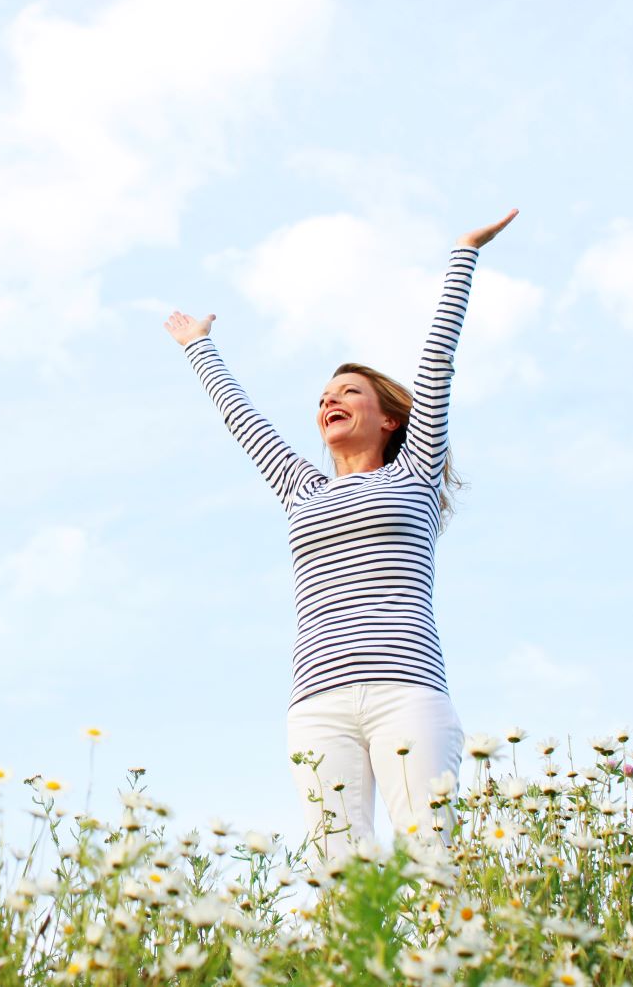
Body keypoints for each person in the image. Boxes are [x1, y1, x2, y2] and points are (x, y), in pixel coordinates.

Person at [164, 210, 519, 865]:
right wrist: (198, 345)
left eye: (349, 391)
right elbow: (243, 419)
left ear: (386, 418)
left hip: (405, 687)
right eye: (325, 394)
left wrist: (463, 254)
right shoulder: (302, 488)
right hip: (317, 699)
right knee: (338, 868)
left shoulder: (413, 474)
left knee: (429, 856)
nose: (330, 399)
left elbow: (438, 363)